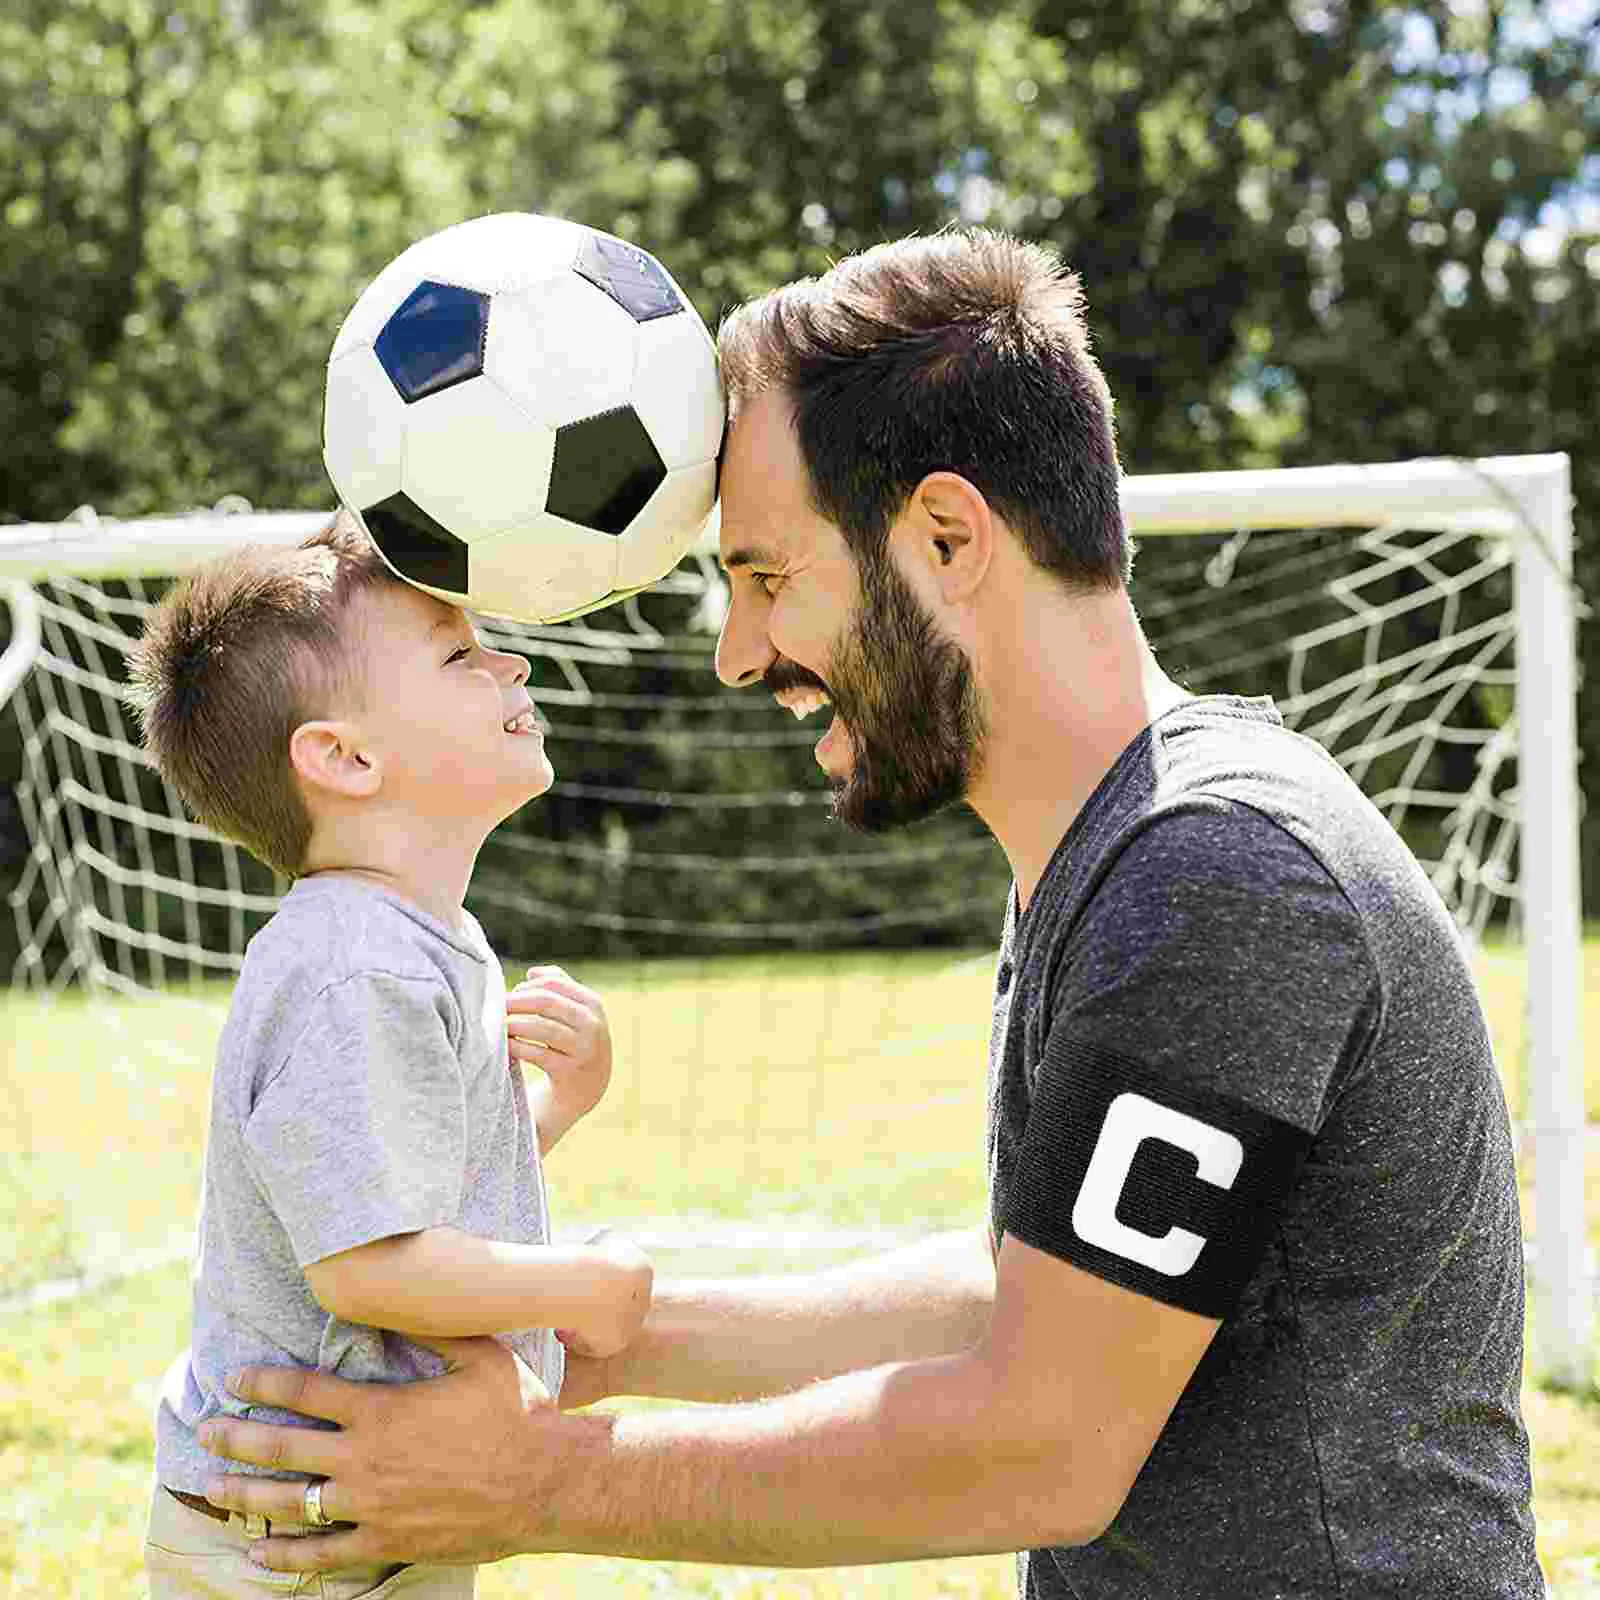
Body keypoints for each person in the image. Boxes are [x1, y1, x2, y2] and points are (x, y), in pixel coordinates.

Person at [194, 231, 1542, 1596]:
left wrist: (537, 1474)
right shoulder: (1129, 846)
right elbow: (1029, 1299)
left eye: (768, 578)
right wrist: (626, 1340)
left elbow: (1040, 1442)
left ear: (948, 539)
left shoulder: (1221, 876)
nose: (736, 657)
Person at [129, 513, 652, 1600]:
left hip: (370, 1510)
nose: (508, 658)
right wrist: (579, 1285)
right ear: (346, 758)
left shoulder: (420, 936)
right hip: (283, 1546)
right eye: (460, 654)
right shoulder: (356, 964)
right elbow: (363, 1265)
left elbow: (402, 1192)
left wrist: (558, 1107)